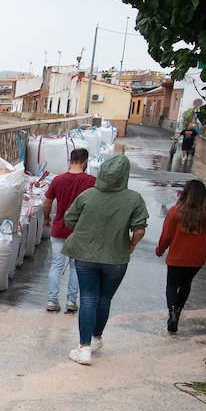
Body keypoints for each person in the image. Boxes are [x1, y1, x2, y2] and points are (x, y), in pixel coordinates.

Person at [62, 153, 149, 365]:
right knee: (104, 299)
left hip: (85, 255)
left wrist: (87, 228)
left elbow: (69, 219)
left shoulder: (88, 195)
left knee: (87, 298)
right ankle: (96, 338)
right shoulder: (134, 199)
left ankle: (84, 349)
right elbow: (139, 230)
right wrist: (131, 244)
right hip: (116, 258)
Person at [154, 179, 206, 333]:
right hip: (196, 259)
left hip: (176, 257)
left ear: (185, 193)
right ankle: (178, 312)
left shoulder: (175, 211)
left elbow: (166, 235)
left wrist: (160, 249)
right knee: (186, 285)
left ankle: (172, 312)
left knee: (172, 285)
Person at [43, 148, 96, 313]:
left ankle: (52, 300)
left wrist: (46, 218)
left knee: (56, 265)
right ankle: (71, 301)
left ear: (70, 161)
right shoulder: (92, 181)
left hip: (59, 229)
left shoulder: (58, 180)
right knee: (75, 267)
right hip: (80, 232)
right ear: (86, 162)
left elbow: (47, 202)